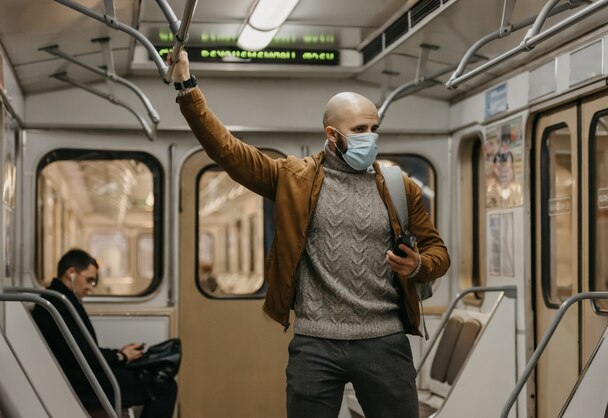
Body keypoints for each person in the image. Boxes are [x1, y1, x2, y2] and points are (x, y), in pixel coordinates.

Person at [170, 51, 450, 418]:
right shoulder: (294, 179)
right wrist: (187, 88)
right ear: (332, 135)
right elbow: (228, 151)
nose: (371, 138)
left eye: (374, 129)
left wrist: (416, 266)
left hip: (384, 341)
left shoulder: (399, 187)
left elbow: (438, 252)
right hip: (316, 344)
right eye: (360, 130)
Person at [32, 249, 177, 417]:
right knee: (163, 386)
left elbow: (84, 350)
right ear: (71, 273)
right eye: (89, 280)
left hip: (83, 374)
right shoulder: (57, 304)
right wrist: (119, 357)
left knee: (152, 374)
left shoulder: (61, 300)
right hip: (80, 382)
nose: (90, 288)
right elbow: (82, 355)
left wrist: (120, 355)